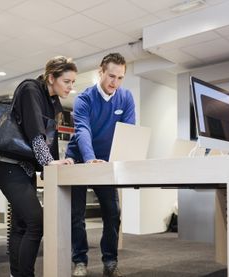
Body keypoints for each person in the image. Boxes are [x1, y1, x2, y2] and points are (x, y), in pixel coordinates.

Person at [0, 56, 77, 277]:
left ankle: (16, 274)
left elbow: (51, 136)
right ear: (51, 77)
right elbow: (35, 133)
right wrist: (48, 162)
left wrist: (53, 167)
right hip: (9, 168)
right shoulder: (31, 89)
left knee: (21, 226)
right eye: (67, 81)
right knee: (36, 223)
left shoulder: (52, 101)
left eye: (72, 82)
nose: (71, 86)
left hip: (25, 170)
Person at [66, 53, 135, 277]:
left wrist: (123, 157)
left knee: (112, 212)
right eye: (111, 76)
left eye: (120, 78)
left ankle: (110, 261)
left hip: (106, 163)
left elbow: (129, 131)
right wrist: (89, 159)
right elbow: (83, 130)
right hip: (79, 160)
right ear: (100, 72)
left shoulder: (125, 97)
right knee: (76, 215)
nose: (115, 82)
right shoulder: (84, 99)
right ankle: (79, 261)